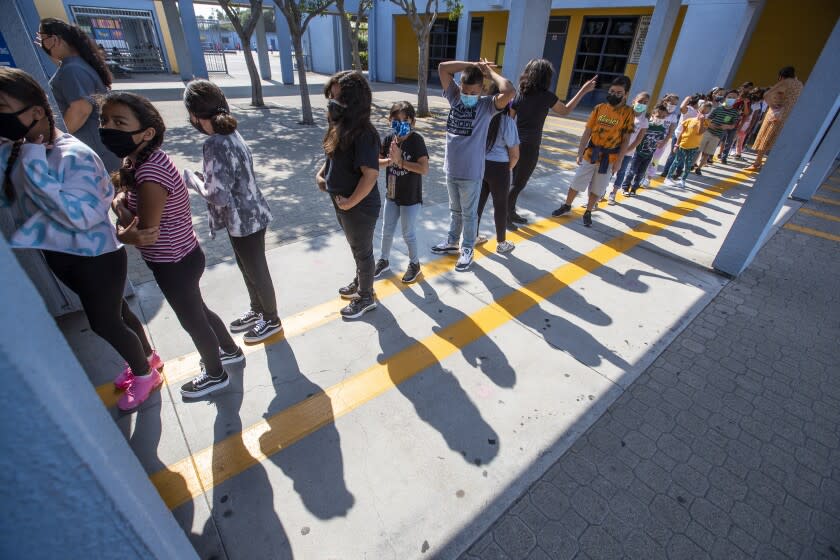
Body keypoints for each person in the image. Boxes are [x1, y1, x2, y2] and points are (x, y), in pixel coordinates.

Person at [0, 68, 161, 412]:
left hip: (96, 257)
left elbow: (80, 215)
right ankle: (147, 356)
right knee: (116, 312)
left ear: (36, 112)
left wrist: (30, 156)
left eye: (2, 106)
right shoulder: (14, 150)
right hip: (60, 254)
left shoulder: (73, 156)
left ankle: (145, 374)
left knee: (104, 322)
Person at [101, 91, 244, 399]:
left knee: (193, 320)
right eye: (105, 120)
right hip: (183, 256)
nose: (108, 128)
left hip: (174, 262)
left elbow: (146, 232)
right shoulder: (140, 160)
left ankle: (216, 374)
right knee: (199, 311)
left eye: (119, 122)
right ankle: (231, 351)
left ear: (147, 132)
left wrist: (120, 215)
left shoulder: (150, 171)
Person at [182, 79, 280, 344]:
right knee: (248, 267)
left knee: (256, 269)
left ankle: (271, 319)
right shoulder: (230, 133)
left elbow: (217, 194)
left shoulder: (215, 142)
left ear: (194, 114)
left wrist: (193, 179)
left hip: (243, 218)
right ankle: (258, 310)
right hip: (251, 213)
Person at [431, 58, 515, 271]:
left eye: (472, 92)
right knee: (455, 210)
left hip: (471, 173)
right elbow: (442, 68)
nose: (468, 96)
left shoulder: (487, 106)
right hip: (451, 169)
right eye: (465, 91)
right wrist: (472, 64)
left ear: (482, 90)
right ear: (460, 87)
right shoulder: (455, 98)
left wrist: (489, 72)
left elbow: (509, 92)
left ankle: (467, 248)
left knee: (469, 214)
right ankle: (452, 241)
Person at [316, 71, 381, 319]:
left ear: (353, 100)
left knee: (363, 251)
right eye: (330, 97)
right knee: (357, 249)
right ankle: (360, 282)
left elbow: (370, 174)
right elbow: (331, 157)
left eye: (337, 98)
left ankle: (366, 297)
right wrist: (321, 176)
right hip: (343, 204)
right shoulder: (339, 126)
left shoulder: (364, 133)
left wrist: (350, 202)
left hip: (359, 207)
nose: (332, 103)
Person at [506, 59, 596, 229]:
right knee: (519, 184)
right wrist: (583, 90)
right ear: (545, 77)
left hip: (515, 143)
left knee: (515, 181)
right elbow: (566, 110)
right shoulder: (547, 96)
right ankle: (504, 214)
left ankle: (510, 212)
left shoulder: (520, 93)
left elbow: (508, 119)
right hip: (530, 145)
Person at [36, 18, 120, 173]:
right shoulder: (76, 65)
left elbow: (81, 109)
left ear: (55, 39)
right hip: (100, 147)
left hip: (95, 150)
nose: (41, 45)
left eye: (43, 40)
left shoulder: (72, 69)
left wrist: (56, 139)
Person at [551, 75, 634, 226]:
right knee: (577, 181)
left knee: (598, 187)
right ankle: (567, 205)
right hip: (591, 154)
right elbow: (587, 132)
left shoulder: (628, 113)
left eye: (619, 92)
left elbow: (626, 139)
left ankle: (588, 211)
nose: (614, 95)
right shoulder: (599, 108)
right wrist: (580, 151)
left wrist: (620, 161)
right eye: (612, 91)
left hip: (609, 158)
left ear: (626, 94)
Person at [373, 101, 429, 284]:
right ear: (390, 120)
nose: (399, 125)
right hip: (392, 194)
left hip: (411, 198)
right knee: (386, 230)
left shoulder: (416, 140)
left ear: (412, 121)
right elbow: (377, 163)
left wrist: (401, 162)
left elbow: (424, 169)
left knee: (408, 233)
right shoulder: (389, 139)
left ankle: (415, 264)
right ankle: (384, 260)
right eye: (395, 120)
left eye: (405, 120)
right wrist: (390, 160)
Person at [476, 83, 519, 253]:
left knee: (477, 205)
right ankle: (501, 243)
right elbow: (515, 155)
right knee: (501, 206)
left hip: (480, 165)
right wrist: (506, 170)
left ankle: (472, 237)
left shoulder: (481, 118)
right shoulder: (507, 122)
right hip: (500, 168)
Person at [747, 66, 804, 172]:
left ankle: (757, 163)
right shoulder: (799, 84)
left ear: (781, 76)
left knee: (766, 137)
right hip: (791, 115)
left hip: (777, 113)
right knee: (781, 140)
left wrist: (772, 105)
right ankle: (772, 165)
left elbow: (767, 94)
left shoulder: (785, 82)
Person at [607, 91, 650, 205]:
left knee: (621, 172)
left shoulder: (644, 120)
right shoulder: (624, 113)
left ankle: (613, 193)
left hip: (628, 152)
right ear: (634, 101)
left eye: (645, 103)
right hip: (614, 148)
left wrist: (626, 150)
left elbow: (639, 139)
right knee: (608, 171)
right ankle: (601, 192)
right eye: (640, 101)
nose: (642, 104)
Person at [619, 103, 669, 196]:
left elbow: (660, 141)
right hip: (638, 152)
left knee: (641, 173)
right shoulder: (647, 125)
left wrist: (659, 144)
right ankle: (625, 187)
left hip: (649, 154)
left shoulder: (662, 129)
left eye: (663, 117)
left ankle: (634, 188)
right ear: (653, 114)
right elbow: (638, 137)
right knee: (632, 171)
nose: (660, 118)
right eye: (658, 116)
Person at [665, 101, 711, 188]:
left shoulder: (706, 122)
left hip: (693, 147)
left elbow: (699, 132)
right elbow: (681, 133)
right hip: (683, 145)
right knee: (676, 162)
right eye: (702, 110)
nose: (703, 113)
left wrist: (701, 121)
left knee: (688, 164)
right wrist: (676, 145)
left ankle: (683, 180)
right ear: (699, 109)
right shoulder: (689, 120)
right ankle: (668, 177)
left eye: (706, 111)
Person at [695, 90, 740, 175]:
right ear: (725, 98)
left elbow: (733, 125)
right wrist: (710, 124)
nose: (731, 99)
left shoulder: (735, 113)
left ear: (737, 99)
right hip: (708, 131)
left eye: (734, 97)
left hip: (718, 135)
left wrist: (727, 126)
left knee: (707, 152)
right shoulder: (718, 109)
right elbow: (709, 119)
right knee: (698, 149)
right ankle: (692, 164)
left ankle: (699, 168)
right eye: (729, 97)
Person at [648, 92, 680, 181]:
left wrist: (664, 142)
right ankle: (640, 175)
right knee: (645, 158)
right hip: (650, 139)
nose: (673, 106)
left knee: (655, 160)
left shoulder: (673, 116)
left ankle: (649, 178)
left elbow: (671, 131)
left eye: (675, 104)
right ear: (666, 101)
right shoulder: (657, 111)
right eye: (671, 103)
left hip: (662, 141)